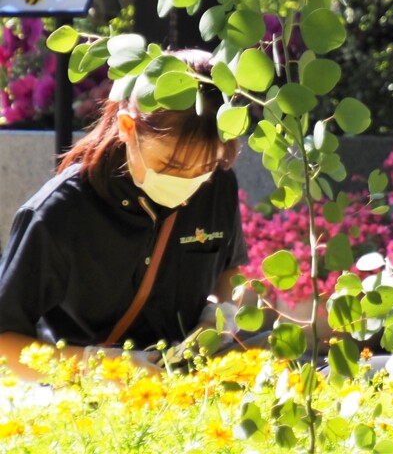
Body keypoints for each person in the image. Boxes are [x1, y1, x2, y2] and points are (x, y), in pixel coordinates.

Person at [0, 48, 246, 380]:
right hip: (83, 404)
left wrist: (220, 315)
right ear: (127, 128)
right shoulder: (58, 213)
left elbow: (230, 270)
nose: (187, 182)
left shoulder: (218, 183)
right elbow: (5, 342)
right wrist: (96, 366)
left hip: (189, 389)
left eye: (203, 167)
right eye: (169, 166)